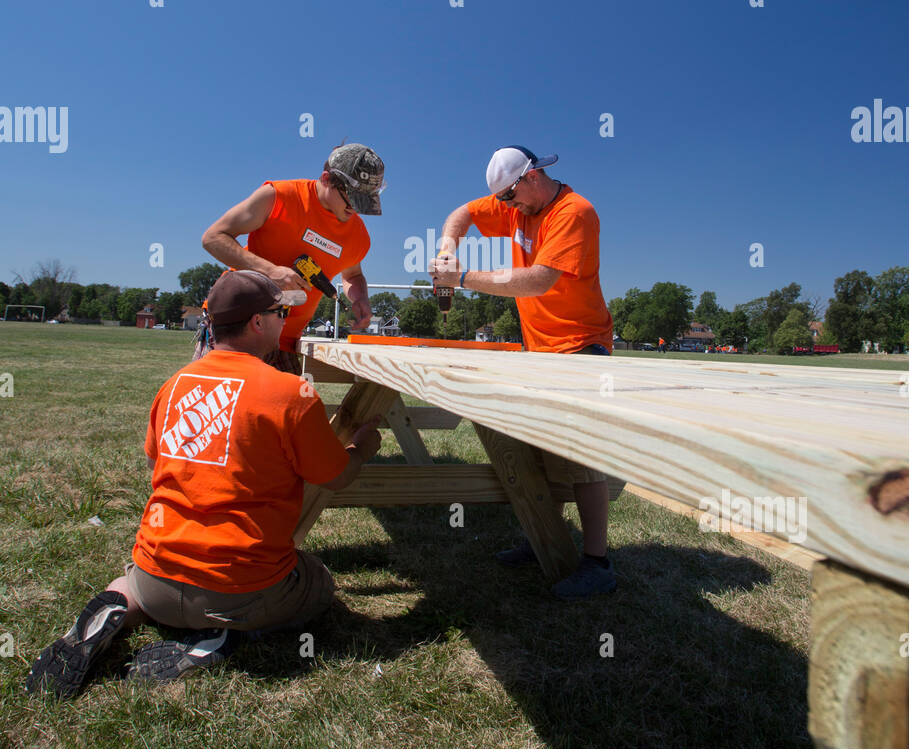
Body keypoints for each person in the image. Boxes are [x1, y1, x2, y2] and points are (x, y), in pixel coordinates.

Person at [26, 271, 382, 696]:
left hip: (153, 575)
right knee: (318, 582)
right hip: (238, 588)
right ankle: (219, 638)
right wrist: (362, 447)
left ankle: (118, 606)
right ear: (257, 322)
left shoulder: (172, 385)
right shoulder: (291, 392)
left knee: (130, 584)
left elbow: (155, 463)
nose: (285, 320)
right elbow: (336, 477)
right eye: (280, 312)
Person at [429, 145, 621, 599]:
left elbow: (538, 280)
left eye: (511, 200)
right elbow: (462, 213)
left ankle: (598, 563)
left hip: (581, 347)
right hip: (541, 348)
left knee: (583, 458)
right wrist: (446, 249)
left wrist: (461, 278)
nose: (507, 210)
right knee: (539, 444)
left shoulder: (575, 213)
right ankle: (545, 538)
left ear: (532, 178)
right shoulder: (519, 204)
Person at [200, 144, 385, 372]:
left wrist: (360, 299)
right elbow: (213, 238)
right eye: (350, 201)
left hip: (285, 342)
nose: (354, 211)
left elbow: (353, 275)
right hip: (235, 331)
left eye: (363, 203)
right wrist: (270, 272)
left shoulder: (358, 237)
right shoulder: (279, 197)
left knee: (288, 405)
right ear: (326, 179)